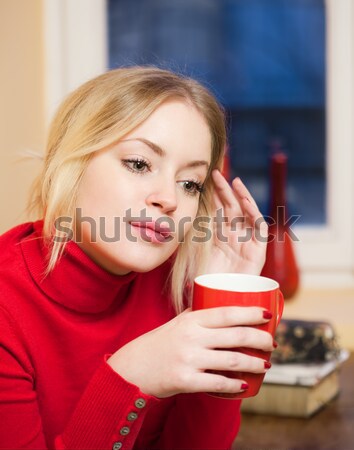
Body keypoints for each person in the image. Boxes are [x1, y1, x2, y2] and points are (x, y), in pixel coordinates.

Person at [0, 66, 274, 449]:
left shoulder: (175, 290)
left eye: (190, 183)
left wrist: (223, 295)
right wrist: (129, 376)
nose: (170, 199)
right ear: (71, 162)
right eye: (139, 164)